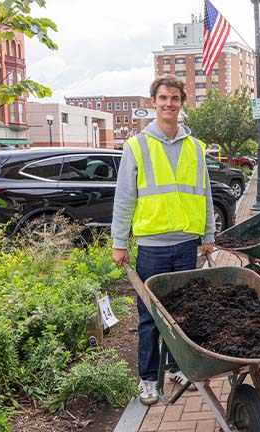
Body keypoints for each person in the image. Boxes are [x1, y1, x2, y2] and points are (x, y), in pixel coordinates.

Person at [111, 75, 216, 405]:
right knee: (149, 316)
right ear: (152, 103)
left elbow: (206, 195)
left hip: (186, 242)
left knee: (181, 312)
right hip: (152, 246)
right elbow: (125, 198)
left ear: (182, 103)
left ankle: (176, 367)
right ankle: (147, 378)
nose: (168, 103)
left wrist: (209, 235)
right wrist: (119, 241)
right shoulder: (137, 146)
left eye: (174, 98)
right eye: (162, 98)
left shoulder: (195, 148)